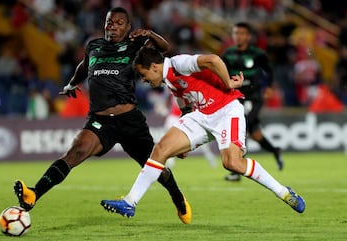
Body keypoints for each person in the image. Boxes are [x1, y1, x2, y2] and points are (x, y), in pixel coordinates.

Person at [13, 7, 191, 225]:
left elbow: (165, 48)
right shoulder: (94, 46)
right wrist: (71, 83)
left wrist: (149, 34)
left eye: (118, 23)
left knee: (154, 165)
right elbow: (85, 66)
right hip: (100, 120)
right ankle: (34, 194)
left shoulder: (135, 46)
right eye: (109, 22)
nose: (112, 26)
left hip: (129, 121)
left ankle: (177, 197)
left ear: (127, 27)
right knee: (75, 151)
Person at [100, 46, 305, 220]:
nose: (144, 80)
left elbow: (213, 60)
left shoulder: (179, 64)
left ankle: (283, 192)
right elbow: (186, 104)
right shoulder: (168, 79)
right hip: (200, 115)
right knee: (160, 149)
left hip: (226, 110)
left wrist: (227, 83)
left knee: (232, 163)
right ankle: (130, 202)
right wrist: (185, 139)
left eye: (143, 75)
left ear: (154, 66)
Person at [220, 22, 284, 181]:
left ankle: (236, 168)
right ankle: (275, 150)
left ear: (248, 36)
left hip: (254, 96)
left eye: (242, 33)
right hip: (236, 97)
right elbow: (222, 73)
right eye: (236, 33)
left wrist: (269, 87)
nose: (238, 36)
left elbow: (268, 71)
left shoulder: (258, 54)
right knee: (254, 133)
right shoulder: (228, 54)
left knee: (244, 124)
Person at [164, 93, 217, 169]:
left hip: (186, 117)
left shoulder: (187, 89)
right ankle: (170, 162)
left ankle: (210, 157)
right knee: (169, 140)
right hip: (173, 117)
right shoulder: (171, 88)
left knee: (199, 140)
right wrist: (165, 109)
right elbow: (167, 99)